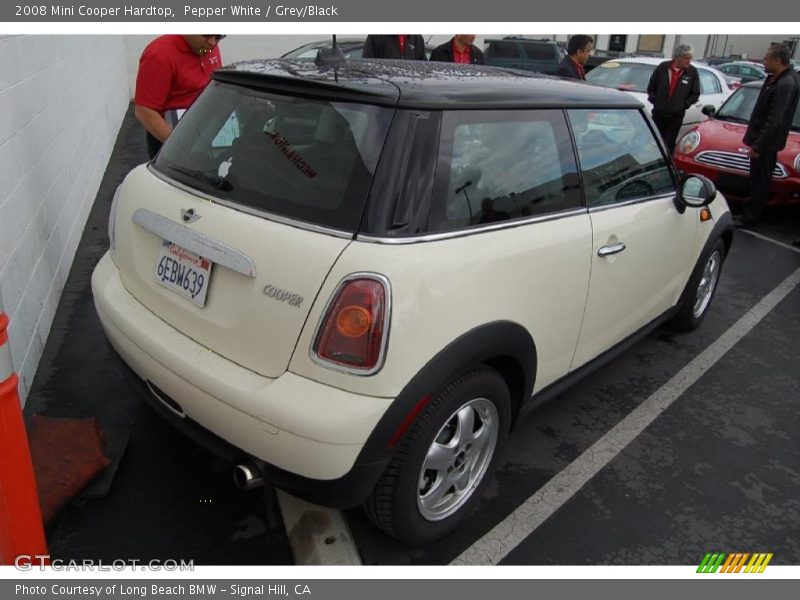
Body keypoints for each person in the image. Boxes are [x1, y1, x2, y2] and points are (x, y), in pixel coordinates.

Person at [738, 43, 800, 229]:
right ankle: (749, 214)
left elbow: (775, 119)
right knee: (756, 180)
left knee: (760, 182)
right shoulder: (775, 78)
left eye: (767, 58)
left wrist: (758, 145)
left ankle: (750, 218)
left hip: (767, 144)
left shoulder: (786, 82)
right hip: (762, 141)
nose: (763, 61)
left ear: (777, 60)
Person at [134, 35, 224, 159]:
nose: (213, 42)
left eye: (220, 36)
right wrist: (179, 147)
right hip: (172, 137)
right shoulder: (159, 54)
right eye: (206, 35)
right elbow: (144, 111)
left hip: (204, 130)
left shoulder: (207, 46)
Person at [646, 44, 700, 154]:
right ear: (677, 57)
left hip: (676, 116)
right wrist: (655, 100)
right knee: (654, 141)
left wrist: (684, 104)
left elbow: (695, 94)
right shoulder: (663, 67)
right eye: (686, 58)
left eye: (690, 58)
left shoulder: (692, 72)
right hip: (659, 112)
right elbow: (651, 87)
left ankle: (667, 165)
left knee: (669, 144)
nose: (688, 61)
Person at [362, 35, 427, 60]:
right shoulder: (375, 37)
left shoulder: (417, 39)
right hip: (383, 88)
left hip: (410, 88)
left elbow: (424, 70)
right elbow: (366, 67)